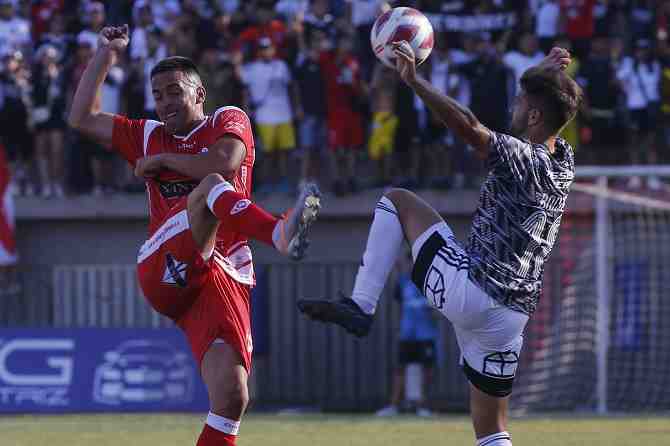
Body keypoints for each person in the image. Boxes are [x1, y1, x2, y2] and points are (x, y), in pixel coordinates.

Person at [298, 42, 581, 446]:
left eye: (520, 102)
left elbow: (468, 126)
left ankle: (361, 305)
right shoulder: (564, 161)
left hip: (472, 290)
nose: (513, 106)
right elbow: (545, 110)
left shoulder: (521, 157)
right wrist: (547, 72)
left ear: (534, 115)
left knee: (396, 201)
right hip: (511, 318)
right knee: (492, 429)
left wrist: (415, 81)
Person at [69, 25, 321, 446]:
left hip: (222, 277)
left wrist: (162, 160)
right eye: (158, 95)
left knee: (231, 398)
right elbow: (81, 118)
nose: (165, 102)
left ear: (199, 94)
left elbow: (223, 162)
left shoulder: (229, 119)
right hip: (165, 266)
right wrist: (107, 53)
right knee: (207, 193)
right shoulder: (147, 134)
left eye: (174, 91)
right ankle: (278, 232)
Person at [376, 252, 438, 417]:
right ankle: (394, 406)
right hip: (407, 334)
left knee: (427, 370)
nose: (412, 265)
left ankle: (424, 407)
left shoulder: (431, 282)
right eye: (409, 262)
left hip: (426, 334)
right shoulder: (402, 282)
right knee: (400, 368)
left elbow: (438, 309)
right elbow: (400, 303)